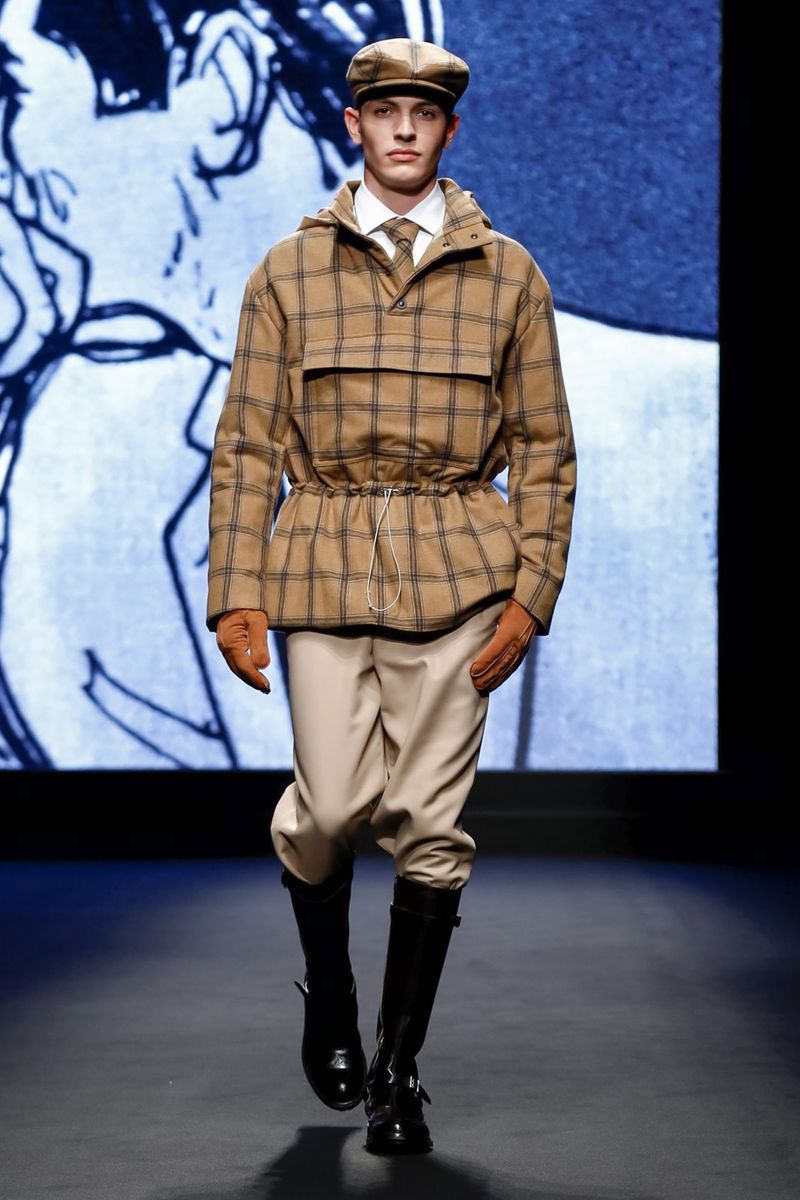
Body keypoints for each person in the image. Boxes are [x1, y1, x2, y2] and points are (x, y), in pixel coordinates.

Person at [205, 37, 577, 1155]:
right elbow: (246, 444)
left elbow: (546, 449)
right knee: (325, 813)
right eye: (384, 111)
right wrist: (234, 592)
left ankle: (396, 1070)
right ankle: (328, 986)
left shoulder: (508, 275)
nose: (404, 128)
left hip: (461, 571)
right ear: (354, 125)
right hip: (321, 563)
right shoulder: (287, 270)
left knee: (429, 822)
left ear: (449, 130)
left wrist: (531, 594)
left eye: (423, 112)